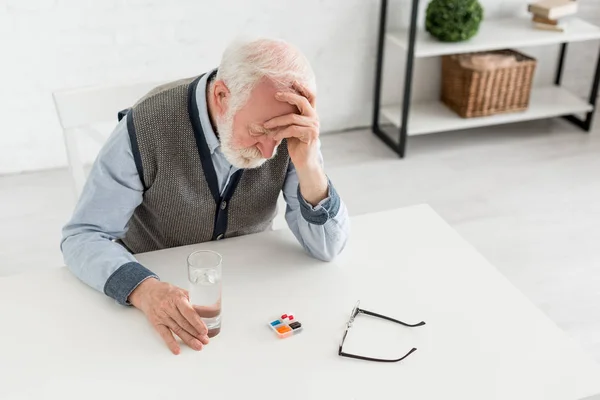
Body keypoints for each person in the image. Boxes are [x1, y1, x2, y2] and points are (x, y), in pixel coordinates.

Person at [61, 38, 350, 354]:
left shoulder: (287, 132)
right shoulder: (145, 125)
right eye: (259, 132)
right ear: (222, 96)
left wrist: (308, 163)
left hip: (253, 293)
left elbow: (328, 247)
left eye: (279, 136)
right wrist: (144, 290)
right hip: (156, 296)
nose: (270, 151)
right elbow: (84, 236)